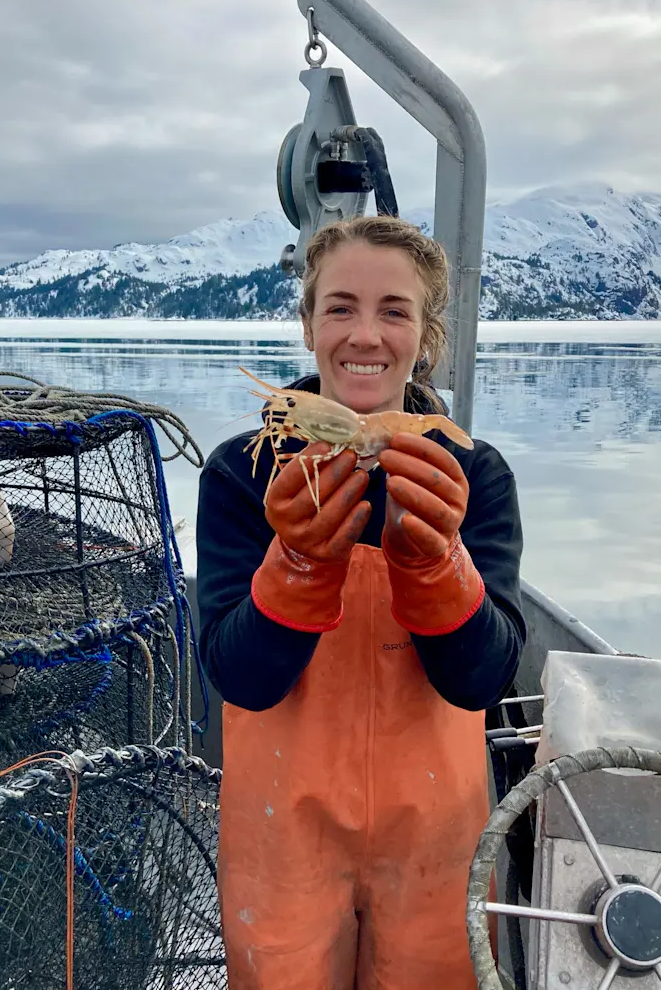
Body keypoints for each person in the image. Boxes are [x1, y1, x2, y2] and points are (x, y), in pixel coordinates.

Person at [196, 215, 526, 990]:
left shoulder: (474, 476)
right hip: (282, 838)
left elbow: (480, 680)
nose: (364, 334)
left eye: (394, 310)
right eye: (340, 307)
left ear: (426, 335)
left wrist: (438, 562)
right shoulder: (242, 475)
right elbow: (240, 676)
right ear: (308, 324)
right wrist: (300, 563)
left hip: (435, 843)